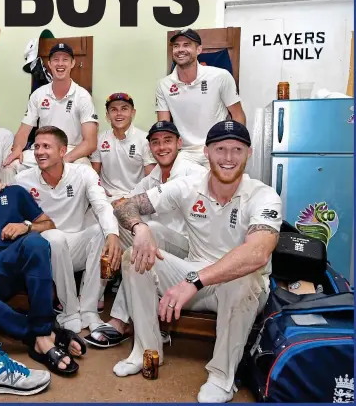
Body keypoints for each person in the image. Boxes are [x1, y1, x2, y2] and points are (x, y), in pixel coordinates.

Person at [111, 120, 282, 403]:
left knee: (244, 277)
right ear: (206, 152)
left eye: (236, 149)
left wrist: (195, 280)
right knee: (134, 257)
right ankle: (147, 351)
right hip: (194, 274)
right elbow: (127, 205)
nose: (228, 158)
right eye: (220, 149)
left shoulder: (263, 195)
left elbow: (258, 253)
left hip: (238, 286)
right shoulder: (187, 186)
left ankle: (221, 376)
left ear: (248, 153)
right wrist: (141, 229)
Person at [0, 145, 86, 376]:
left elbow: (49, 225)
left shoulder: (14, 193)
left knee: (35, 241)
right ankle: (41, 335)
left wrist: (26, 226)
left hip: (23, 260)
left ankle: (42, 333)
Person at [86, 120, 206, 348]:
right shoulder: (151, 178)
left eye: (167, 141)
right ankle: (90, 307)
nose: (162, 147)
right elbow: (124, 204)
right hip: (157, 250)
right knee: (112, 227)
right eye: (155, 143)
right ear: (149, 148)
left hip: (190, 250)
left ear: (179, 143)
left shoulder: (196, 173)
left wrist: (141, 228)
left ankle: (120, 321)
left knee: (152, 232)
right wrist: (121, 230)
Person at [15, 126, 121, 335]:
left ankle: (89, 309)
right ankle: (70, 311)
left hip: (74, 246)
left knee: (103, 231)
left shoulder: (83, 173)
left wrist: (113, 235)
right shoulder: (23, 180)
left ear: (63, 151)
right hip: (44, 252)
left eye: (47, 146)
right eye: (37, 146)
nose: (39, 152)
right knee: (54, 238)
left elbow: (101, 204)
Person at [155, 29, 246, 168]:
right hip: (186, 153)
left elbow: (237, 114)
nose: (180, 49)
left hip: (217, 148)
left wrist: (236, 149)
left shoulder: (220, 76)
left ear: (199, 50)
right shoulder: (164, 84)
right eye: (176, 46)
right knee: (177, 186)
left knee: (218, 188)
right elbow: (164, 126)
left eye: (186, 45)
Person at [4, 43, 98, 171]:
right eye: (56, 59)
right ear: (49, 64)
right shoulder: (38, 94)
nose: (60, 64)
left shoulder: (82, 96)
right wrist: (17, 149)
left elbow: (90, 142)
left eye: (65, 59)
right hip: (42, 149)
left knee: (86, 171)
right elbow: (23, 131)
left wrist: (64, 159)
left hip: (71, 151)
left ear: (72, 63)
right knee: (11, 166)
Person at [90, 93, 156, 201]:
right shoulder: (99, 138)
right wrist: (98, 188)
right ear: (107, 115)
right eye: (114, 110)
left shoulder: (144, 140)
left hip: (135, 198)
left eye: (124, 109)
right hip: (106, 198)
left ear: (132, 113)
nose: (119, 114)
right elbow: (93, 174)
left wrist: (134, 197)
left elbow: (151, 178)